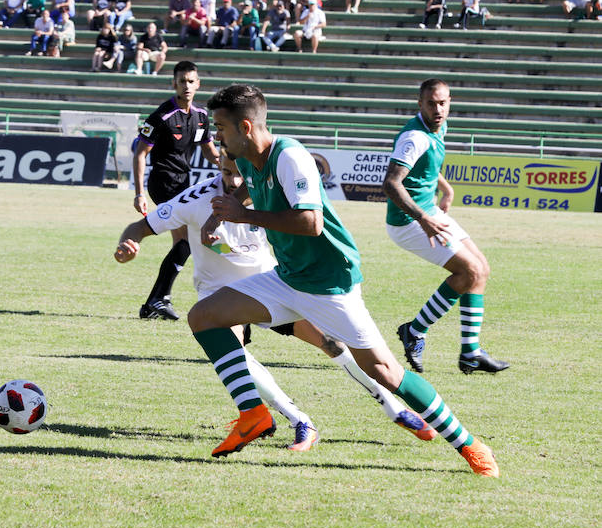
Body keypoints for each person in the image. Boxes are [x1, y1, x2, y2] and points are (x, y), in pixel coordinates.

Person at [187, 83, 499, 477]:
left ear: (246, 127)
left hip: (329, 284)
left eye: (220, 127)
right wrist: (223, 214)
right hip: (287, 278)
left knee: (386, 372)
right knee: (205, 315)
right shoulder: (247, 156)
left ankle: (470, 445)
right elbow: (251, 185)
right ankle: (253, 414)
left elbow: (311, 223)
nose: (217, 136)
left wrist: (242, 216)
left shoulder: (291, 157)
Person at [115, 150, 437, 450]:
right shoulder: (198, 198)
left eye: (241, 174)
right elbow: (140, 226)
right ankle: (299, 420)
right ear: (219, 168)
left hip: (276, 287)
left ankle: (394, 408)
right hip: (222, 297)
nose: (235, 181)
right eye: (228, 173)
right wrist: (129, 243)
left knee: (330, 343)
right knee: (235, 353)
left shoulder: (268, 194)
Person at [382, 79, 510, 377]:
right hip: (408, 220)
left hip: (429, 211)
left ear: (450, 101)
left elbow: (426, 166)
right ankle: (414, 331)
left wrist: (445, 188)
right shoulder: (414, 137)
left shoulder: (439, 127)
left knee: (481, 269)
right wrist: (423, 219)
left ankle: (471, 353)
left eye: (443, 103)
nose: (438, 109)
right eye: (431, 104)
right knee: (469, 271)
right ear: (420, 104)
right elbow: (391, 183)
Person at [131, 61, 219, 319]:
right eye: (182, 81)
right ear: (174, 84)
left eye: (191, 81)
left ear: (198, 83)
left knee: (183, 242)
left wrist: (232, 162)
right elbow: (140, 154)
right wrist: (139, 193)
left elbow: (210, 151)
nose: (187, 86)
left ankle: (156, 302)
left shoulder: (201, 117)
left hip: (183, 183)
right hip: (162, 182)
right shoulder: (161, 116)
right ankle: (156, 301)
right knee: (186, 240)